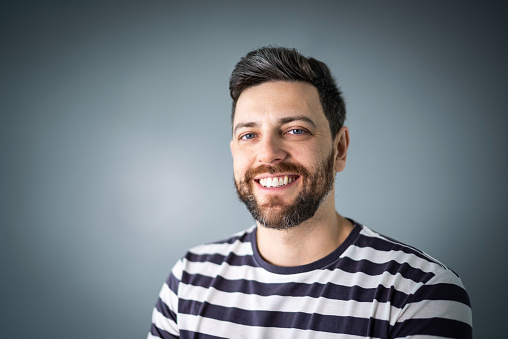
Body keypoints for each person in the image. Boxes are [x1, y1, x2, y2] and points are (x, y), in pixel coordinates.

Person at [148, 46, 472, 338]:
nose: (268, 153)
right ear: (233, 151)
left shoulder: (419, 292)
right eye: (249, 135)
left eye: (295, 130)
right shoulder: (189, 280)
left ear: (339, 149)